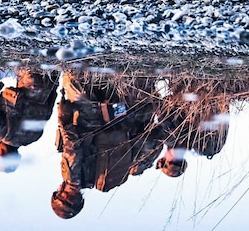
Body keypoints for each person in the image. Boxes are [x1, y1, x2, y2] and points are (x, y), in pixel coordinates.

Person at [50, 70, 164, 219]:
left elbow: (147, 147)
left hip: (124, 115)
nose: (59, 187)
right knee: (70, 76)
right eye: (58, 192)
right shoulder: (71, 179)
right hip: (92, 114)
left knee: (138, 75)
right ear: (62, 196)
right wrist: (63, 119)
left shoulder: (114, 179)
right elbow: (73, 147)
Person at [0, 68, 59, 173]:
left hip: (49, 82)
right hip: (28, 77)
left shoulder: (35, 137)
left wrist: (54, 83)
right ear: (2, 153)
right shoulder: (2, 134)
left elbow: (49, 108)